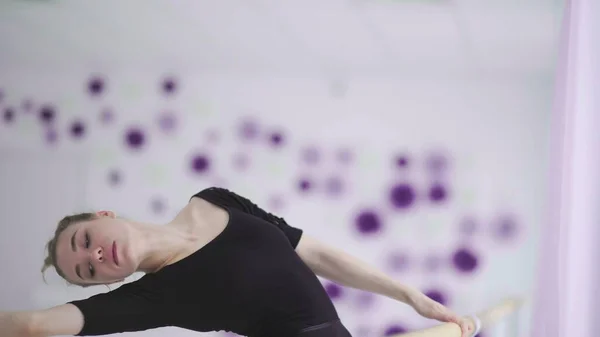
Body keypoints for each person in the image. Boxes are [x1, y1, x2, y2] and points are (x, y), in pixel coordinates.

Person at [0, 186, 473, 337]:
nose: (95, 256)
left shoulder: (214, 200)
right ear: (105, 282)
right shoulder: (149, 297)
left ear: (103, 215)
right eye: (87, 270)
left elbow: (317, 253)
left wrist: (412, 297)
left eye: (85, 241)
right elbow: (35, 325)